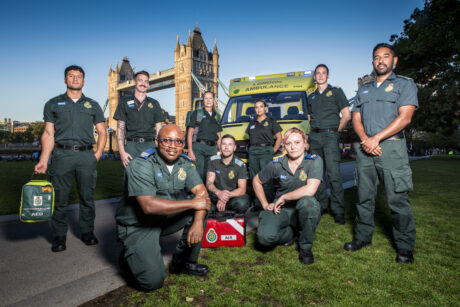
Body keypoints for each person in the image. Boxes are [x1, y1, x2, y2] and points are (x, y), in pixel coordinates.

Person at [344, 43, 418, 264]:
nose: (381, 60)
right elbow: (356, 118)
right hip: (366, 149)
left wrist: (376, 139)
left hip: (392, 149)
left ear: (394, 61)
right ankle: (363, 237)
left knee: (398, 199)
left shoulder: (405, 84)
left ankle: (404, 246)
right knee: (364, 197)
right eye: (377, 57)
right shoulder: (365, 88)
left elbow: (405, 117)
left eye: (386, 56)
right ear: (373, 62)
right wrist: (366, 140)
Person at [116, 124, 211, 290]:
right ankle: (128, 257)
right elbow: (149, 206)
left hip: (163, 219)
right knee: (152, 282)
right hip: (138, 226)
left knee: (200, 212)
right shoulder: (141, 164)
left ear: (183, 144)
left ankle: (182, 263)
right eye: (167, 140)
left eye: (178, 142)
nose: (173, 146)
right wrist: (193, 203)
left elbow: (202, 194)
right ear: (157, 141)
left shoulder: (185, 163)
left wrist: (197, 223)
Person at [34, 65, 107, 252]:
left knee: (87, 198)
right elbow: (48, 133)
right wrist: (44, 159)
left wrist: (97, 154)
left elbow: (102, 131)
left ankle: (87, 232)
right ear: (65, 80)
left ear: (84, 80)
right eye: (71, 76)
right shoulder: (52, 103)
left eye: (79, 76)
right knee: (59, 198)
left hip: (85, 155)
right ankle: (59, 237)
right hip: (62, 155)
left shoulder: (93, 105)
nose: (75, 79)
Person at [253, 128, 323, 264]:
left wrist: (284, 196)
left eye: (297, 142)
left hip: (303, 207)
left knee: (309, 203)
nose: (293, 147)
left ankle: (305, 247)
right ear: (284, 146)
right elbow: (256, 180)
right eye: (289, 143)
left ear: (305, 143)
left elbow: (311, 189)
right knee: (264, 238)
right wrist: (265, 204)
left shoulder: (314, 160)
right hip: (281, 209)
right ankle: (290, 234)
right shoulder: (277, 164)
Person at [307, 64, 351, 225]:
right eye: (317, 73)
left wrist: (335, 132)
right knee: (317, 175)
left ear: (328, 76)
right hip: (315, 137)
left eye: (323, 73)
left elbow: (346, 115)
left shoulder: (336, 92)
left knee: (334, 175)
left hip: (330, 136)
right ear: (314, 77)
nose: (320, 76)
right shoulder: (310, 96)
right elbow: (309, 118)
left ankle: (338, 211)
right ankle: (322, 205)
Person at [114, 70, 165, 168]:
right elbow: (120, 129)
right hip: (131, 145)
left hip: (150, 145)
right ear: (134, 82)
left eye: (146, 81)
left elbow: (159, 129)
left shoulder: (154, 103)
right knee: (130, 178)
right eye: (140, 80)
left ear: (148, 84)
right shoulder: (124, 102)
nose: (143, 83)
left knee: (150, 178)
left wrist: (159, 149)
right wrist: (122, 152)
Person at [246, 99, 282, 208]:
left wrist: (273, 150)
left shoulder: (271, 122)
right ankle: (258, 204)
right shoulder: (252, 123)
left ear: (265, 108)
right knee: (254, 178)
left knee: (266, 179)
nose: (258, 109)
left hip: (266, 151)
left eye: (261, 106)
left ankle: (270, 203)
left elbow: (279, 138)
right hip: (253, 152)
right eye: (256, 107)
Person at [206, 134, 250, 214]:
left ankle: (232, 216)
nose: (226, 147)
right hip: (215, 196)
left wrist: (224, 197)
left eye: (230, 144)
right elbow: (209, 183)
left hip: (232, 197)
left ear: (234, 148)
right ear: (220, 146)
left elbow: (242, 189)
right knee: (204, 205)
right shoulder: (212, 161)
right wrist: (219, 193)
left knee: (242, 203)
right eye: (224, 144)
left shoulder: (240, 164)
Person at [187, 90, 222, 180]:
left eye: (210, 98)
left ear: (214, 100)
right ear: (203, 100)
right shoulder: (198, 113)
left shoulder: (217, 116)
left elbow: (218, 135)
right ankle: (198, 193)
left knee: (210, 174)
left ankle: (208, 193)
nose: (208, 100)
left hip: (212, 149)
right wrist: (190, 151)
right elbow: (190, 133)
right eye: (206, 98)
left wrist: (221, 149)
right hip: (199, 148)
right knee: (199, 174)